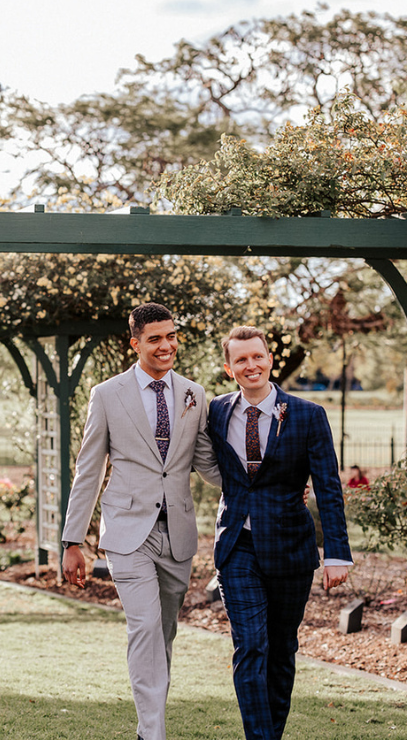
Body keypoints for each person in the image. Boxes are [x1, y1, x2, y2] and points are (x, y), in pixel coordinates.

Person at [61, 302, 221, 740]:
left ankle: (147, 724)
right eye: (155, 339)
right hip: (128, 533)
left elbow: (207, 463)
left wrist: (267, 483)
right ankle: (153, 734)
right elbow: (89, 469)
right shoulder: (108, 394)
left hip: (178, 535)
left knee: (163, 633)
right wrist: (73, 540)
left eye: (171, 336)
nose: (166, 345)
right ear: (135, 344)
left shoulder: (194, 393)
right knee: (146, 626)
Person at [206, 326, 353, 740]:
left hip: (291, 548)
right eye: (240, 360)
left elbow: (327, 486)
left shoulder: (308, 415)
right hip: (237, 547)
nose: (250, 365)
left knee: (281, 650)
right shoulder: (216, 411)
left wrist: (337, 553)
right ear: (228, 367)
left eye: (257, 357)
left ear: (270, 359)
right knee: (250, 645)